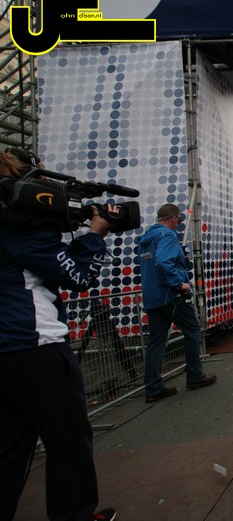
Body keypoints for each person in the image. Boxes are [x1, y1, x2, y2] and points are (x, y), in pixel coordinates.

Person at [0, 148, 116, 521]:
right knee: (68, 442)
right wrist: (95, 235)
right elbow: (77, 276)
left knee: (10, 448)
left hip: (8, 350)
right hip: (36, 344)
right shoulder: (21, 230)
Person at [139, 204, 218, 403]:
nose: (179, 224)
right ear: (174, 218)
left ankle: (153, 387)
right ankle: (194, 375)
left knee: (156, 342)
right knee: (192, 331)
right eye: (179, 220)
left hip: (153, 296)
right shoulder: (167, 236)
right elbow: (163, 261)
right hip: (170, 294)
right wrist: (178, 283)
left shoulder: (147, 238)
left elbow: (157, 262)